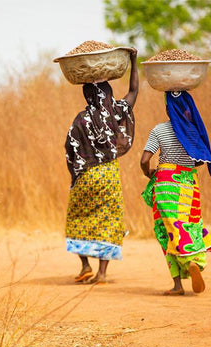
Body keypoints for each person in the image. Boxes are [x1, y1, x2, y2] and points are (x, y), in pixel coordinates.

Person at [65, 48, 138, 284]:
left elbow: (70, 148)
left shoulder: (80, 119)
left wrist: (75, 175)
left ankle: (85, 265)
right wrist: (133, 60)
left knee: (78, 218)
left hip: (85, 176)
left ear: (86, 94)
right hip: (108, 174)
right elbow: (135, 90)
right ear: (108, 93)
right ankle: (103, 273)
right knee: (108, 219)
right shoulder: (116, 111)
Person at [140, 90, 211, 295]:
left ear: (168, 109)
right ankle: (194, 262)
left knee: (167, 230)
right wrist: (187, 164)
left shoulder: (159, 130)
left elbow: (144, 160)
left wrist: (149, 174)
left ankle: (177, 285)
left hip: (166, 184)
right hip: (189, 184)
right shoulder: (193, 131)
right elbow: (203, 157)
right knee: (190, 225)